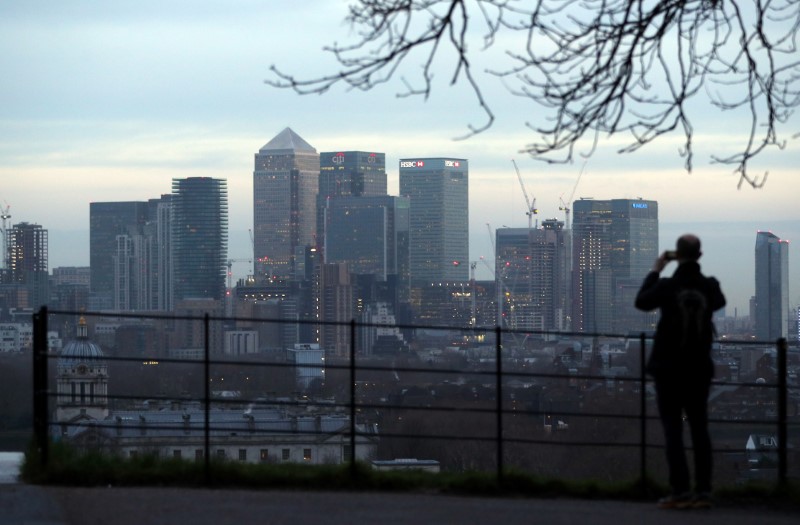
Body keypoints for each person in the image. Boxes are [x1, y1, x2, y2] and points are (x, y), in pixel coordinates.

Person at [635, 234, 726, 509]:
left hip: (669, 368)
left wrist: (655, 270)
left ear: (677, 254)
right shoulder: (709, 287)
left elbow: (642, 302)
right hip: (698, 368)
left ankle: (680, 490)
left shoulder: (667, 286)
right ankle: (704, 491)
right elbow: (719, 303)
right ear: (699, 255)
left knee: (673, 430)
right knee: (700, 429)